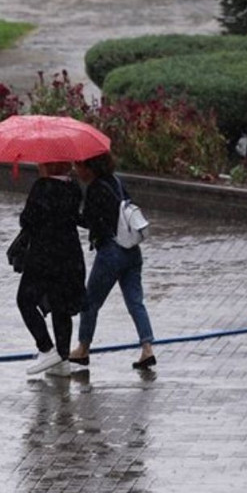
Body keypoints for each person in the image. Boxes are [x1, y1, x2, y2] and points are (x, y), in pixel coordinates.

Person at [69, 153, 156, 369]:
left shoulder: (95, 189)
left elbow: (91, 222)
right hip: (132, 251)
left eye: (77, 165)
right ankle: (147, 348)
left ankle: (83, 349)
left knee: (89, 303)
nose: (75, 170)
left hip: (111, 252)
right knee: (135, 302)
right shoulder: (117, 182)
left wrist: (70, 215)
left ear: (89, 168)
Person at [17, 161, 87, 377]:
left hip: (44, 256)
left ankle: (46, 348)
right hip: (69, 255)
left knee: (25, 300)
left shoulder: (42, 187)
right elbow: (73, 217)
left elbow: (27, 221)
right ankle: (63, 359)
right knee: (61, 305)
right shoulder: (73, 187)